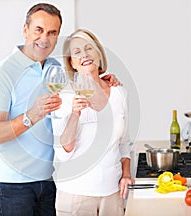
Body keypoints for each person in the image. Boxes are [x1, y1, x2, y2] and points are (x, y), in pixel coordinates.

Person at [0, 3, 121, 216]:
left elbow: (82, 77)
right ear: (25, 30)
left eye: (52, 32)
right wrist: (32, 115)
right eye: (39, 30)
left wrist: (104, 79)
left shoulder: (54, 70)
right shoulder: (2, 71)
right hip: (12, 185)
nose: (44, 38)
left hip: (48, 181)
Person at [52, 29, 135, 216]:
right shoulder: (64, 97)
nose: (85, 55)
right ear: (71, 63)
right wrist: (74, 115)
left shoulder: (119, 93)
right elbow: (63, 153)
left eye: (89, 48)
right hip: (75, 194)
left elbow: (124, 143)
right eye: (77, 52)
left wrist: (126, 174)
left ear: (99, 54)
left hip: (112, 194)